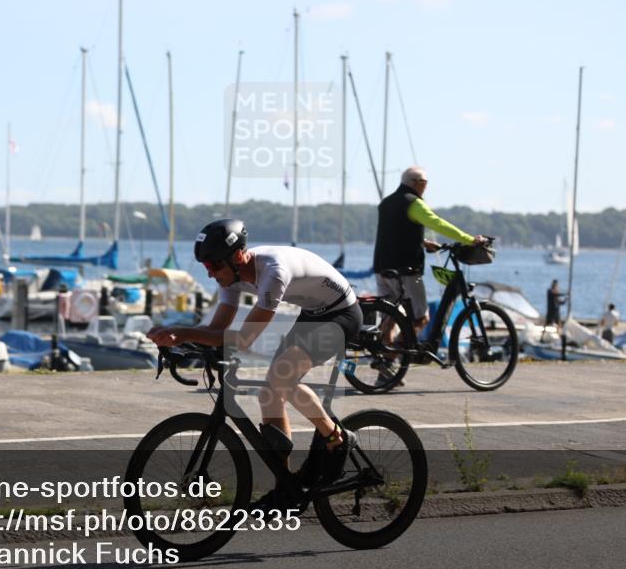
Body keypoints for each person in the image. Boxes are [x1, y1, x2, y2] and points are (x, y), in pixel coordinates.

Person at [147, 219, 363, 510]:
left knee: (282, 378)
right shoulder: (230, 277)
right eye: (206, 267)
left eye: (214, 266)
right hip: (313, 312)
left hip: (342, 314)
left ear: (238, 256)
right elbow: (217, 329)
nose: (210, 274)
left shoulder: (273, 272)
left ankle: (337, 438)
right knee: (268, 395)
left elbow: (244, 339)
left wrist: (184, 333)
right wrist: (177, 340)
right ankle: (285, 488)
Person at [372, 166, 486, 384]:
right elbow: (437, 223)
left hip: (382, 268)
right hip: (406, 271)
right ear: (418, 183)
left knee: (390, 316)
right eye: (425, 184)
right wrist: (470, 240)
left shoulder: (386, 203)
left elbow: (395, 232)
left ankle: (383, 372)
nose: (426, 188)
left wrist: (422, 242)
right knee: (420, 318)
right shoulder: (414, 203)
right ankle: (389, 358)